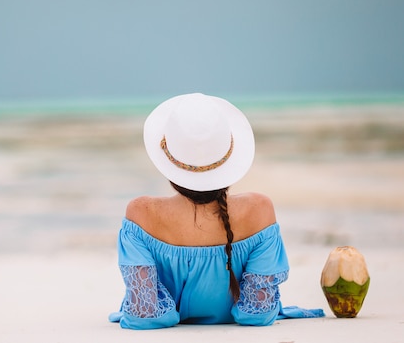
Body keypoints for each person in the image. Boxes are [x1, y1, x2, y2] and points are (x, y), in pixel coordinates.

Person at [109, 93, 324, 329]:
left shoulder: (142, 213)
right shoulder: (259, 210)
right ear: (229, 159)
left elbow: (145, 313)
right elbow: (258, 314)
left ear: (168, 161)